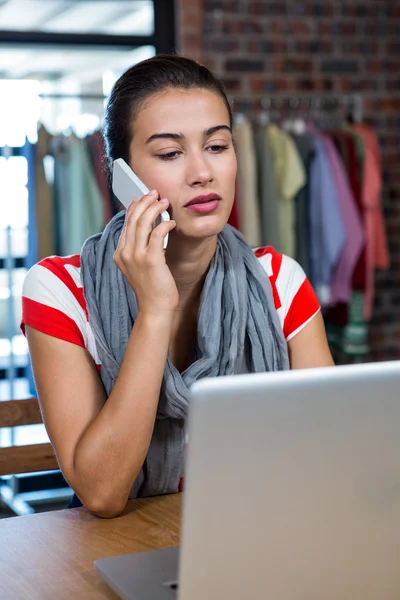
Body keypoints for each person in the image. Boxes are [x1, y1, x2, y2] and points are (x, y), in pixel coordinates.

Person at [21, 54, 334, 518]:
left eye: (217, 146)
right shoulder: (60, 291)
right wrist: (154, 308)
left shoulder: (278, 281)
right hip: (113, 550)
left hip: (252, 531)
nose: (202, 173)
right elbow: (103, 493)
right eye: (170, 153)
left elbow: (330, 450)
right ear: (121, 176)